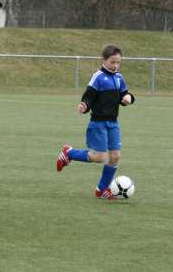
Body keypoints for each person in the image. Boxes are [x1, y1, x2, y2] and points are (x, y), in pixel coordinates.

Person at [56, 44, 135, 200]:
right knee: (99, 157)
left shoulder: (119, 78)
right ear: (103, 60)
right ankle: (69, 153)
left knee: (115, 157)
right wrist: (84, 105)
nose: (115, 66)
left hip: (113, 123)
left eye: (118, 63)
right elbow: (89, 96)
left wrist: (129, 98)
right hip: (98, 123)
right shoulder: (98, 77)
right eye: (112, 62)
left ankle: (102, 190)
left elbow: (124, 95)